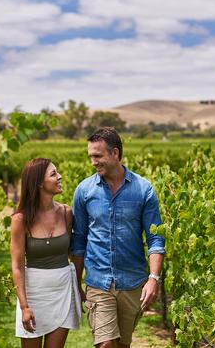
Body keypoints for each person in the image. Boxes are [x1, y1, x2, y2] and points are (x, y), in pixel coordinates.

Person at [71, 127, 165, 348]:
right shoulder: (84, 191)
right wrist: (76, 283)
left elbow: (155, 238)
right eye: (91, 156)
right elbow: (79, 240)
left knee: (122, 345)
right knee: (105, 344)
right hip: (98, 282)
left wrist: (153, 279)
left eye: (98, 156)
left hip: (132, 282)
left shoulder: (144, 190)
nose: (93, 161)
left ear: (115, 153)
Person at [10, 158, 81, 348]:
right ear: (39, 183)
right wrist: (24, 307)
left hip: (62, 291)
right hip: (34, 294)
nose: (60, 177)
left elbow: (74, 253)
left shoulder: (66, 212)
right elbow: (17, 266)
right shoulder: (20, 220)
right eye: (53, 174)